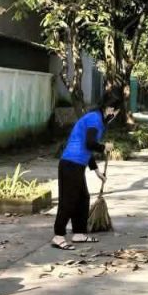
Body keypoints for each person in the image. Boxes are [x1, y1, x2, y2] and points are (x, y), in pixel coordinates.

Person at [51, 98, 117, 250]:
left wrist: (96, 171)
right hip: (70, 164)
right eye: (114, 111)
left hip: (77, 165)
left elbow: (87, 149)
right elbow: (90, 144)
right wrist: (103, 147)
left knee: (82, 198)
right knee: (68, 200)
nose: (114, 115)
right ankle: (58, 235)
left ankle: (79, 233)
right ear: (108, 108)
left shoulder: (97, 120)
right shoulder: (95, 119)